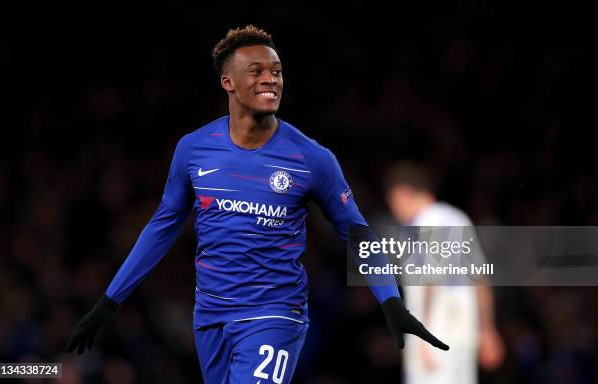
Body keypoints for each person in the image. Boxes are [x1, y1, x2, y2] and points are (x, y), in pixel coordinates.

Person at [66, 25, 448, 383]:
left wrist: (391, 302)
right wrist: (110, 300)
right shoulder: (194, 150)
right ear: (228, 82)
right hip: (211, 316)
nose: (270, 79)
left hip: (275, 313)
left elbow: (357, 232)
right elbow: (162, 227)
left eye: (277, 71)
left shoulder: (311, 159)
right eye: (256, 71)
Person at [384, 162, 505, 384]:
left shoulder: (421, 224)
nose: (394, 210)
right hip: (464, 331)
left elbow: (432, 278)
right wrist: (488, 329)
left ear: (403, 193)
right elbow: (479, 278)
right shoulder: (458, 218)